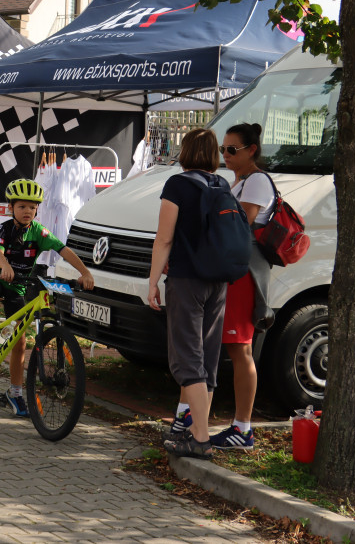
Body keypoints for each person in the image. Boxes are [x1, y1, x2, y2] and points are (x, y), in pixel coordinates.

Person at [0, 179, 95, 417]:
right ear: (11, 208)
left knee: (19, 342)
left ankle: (15, 393)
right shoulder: (4, 228)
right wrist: (5, 265)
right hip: (0, 279)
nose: (28, 211)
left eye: (32, 207)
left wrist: (85, 272)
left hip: (19, 288)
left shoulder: (40, 232)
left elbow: (63, 250)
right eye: (22, 207)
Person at [148, 128, 227, 460]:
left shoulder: (178, 185)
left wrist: (152, 281)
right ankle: (197, 431)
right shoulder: (222, 185)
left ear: (185, 152)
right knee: (207, 358)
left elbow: (164, 238)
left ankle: (201, 438)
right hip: (218, 281)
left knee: (186, 357)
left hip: (186, 279)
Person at [204, 123, 273, 450]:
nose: (226, 155)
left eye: (232, 150)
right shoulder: (241, 182)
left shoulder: (257, 182)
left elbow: (239, 223)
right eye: (223, 150)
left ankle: (242, 428)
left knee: (240, 349)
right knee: (231, 348)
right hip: (233, 271)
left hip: (243, 275)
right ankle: (236, 425)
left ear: (252, 151)